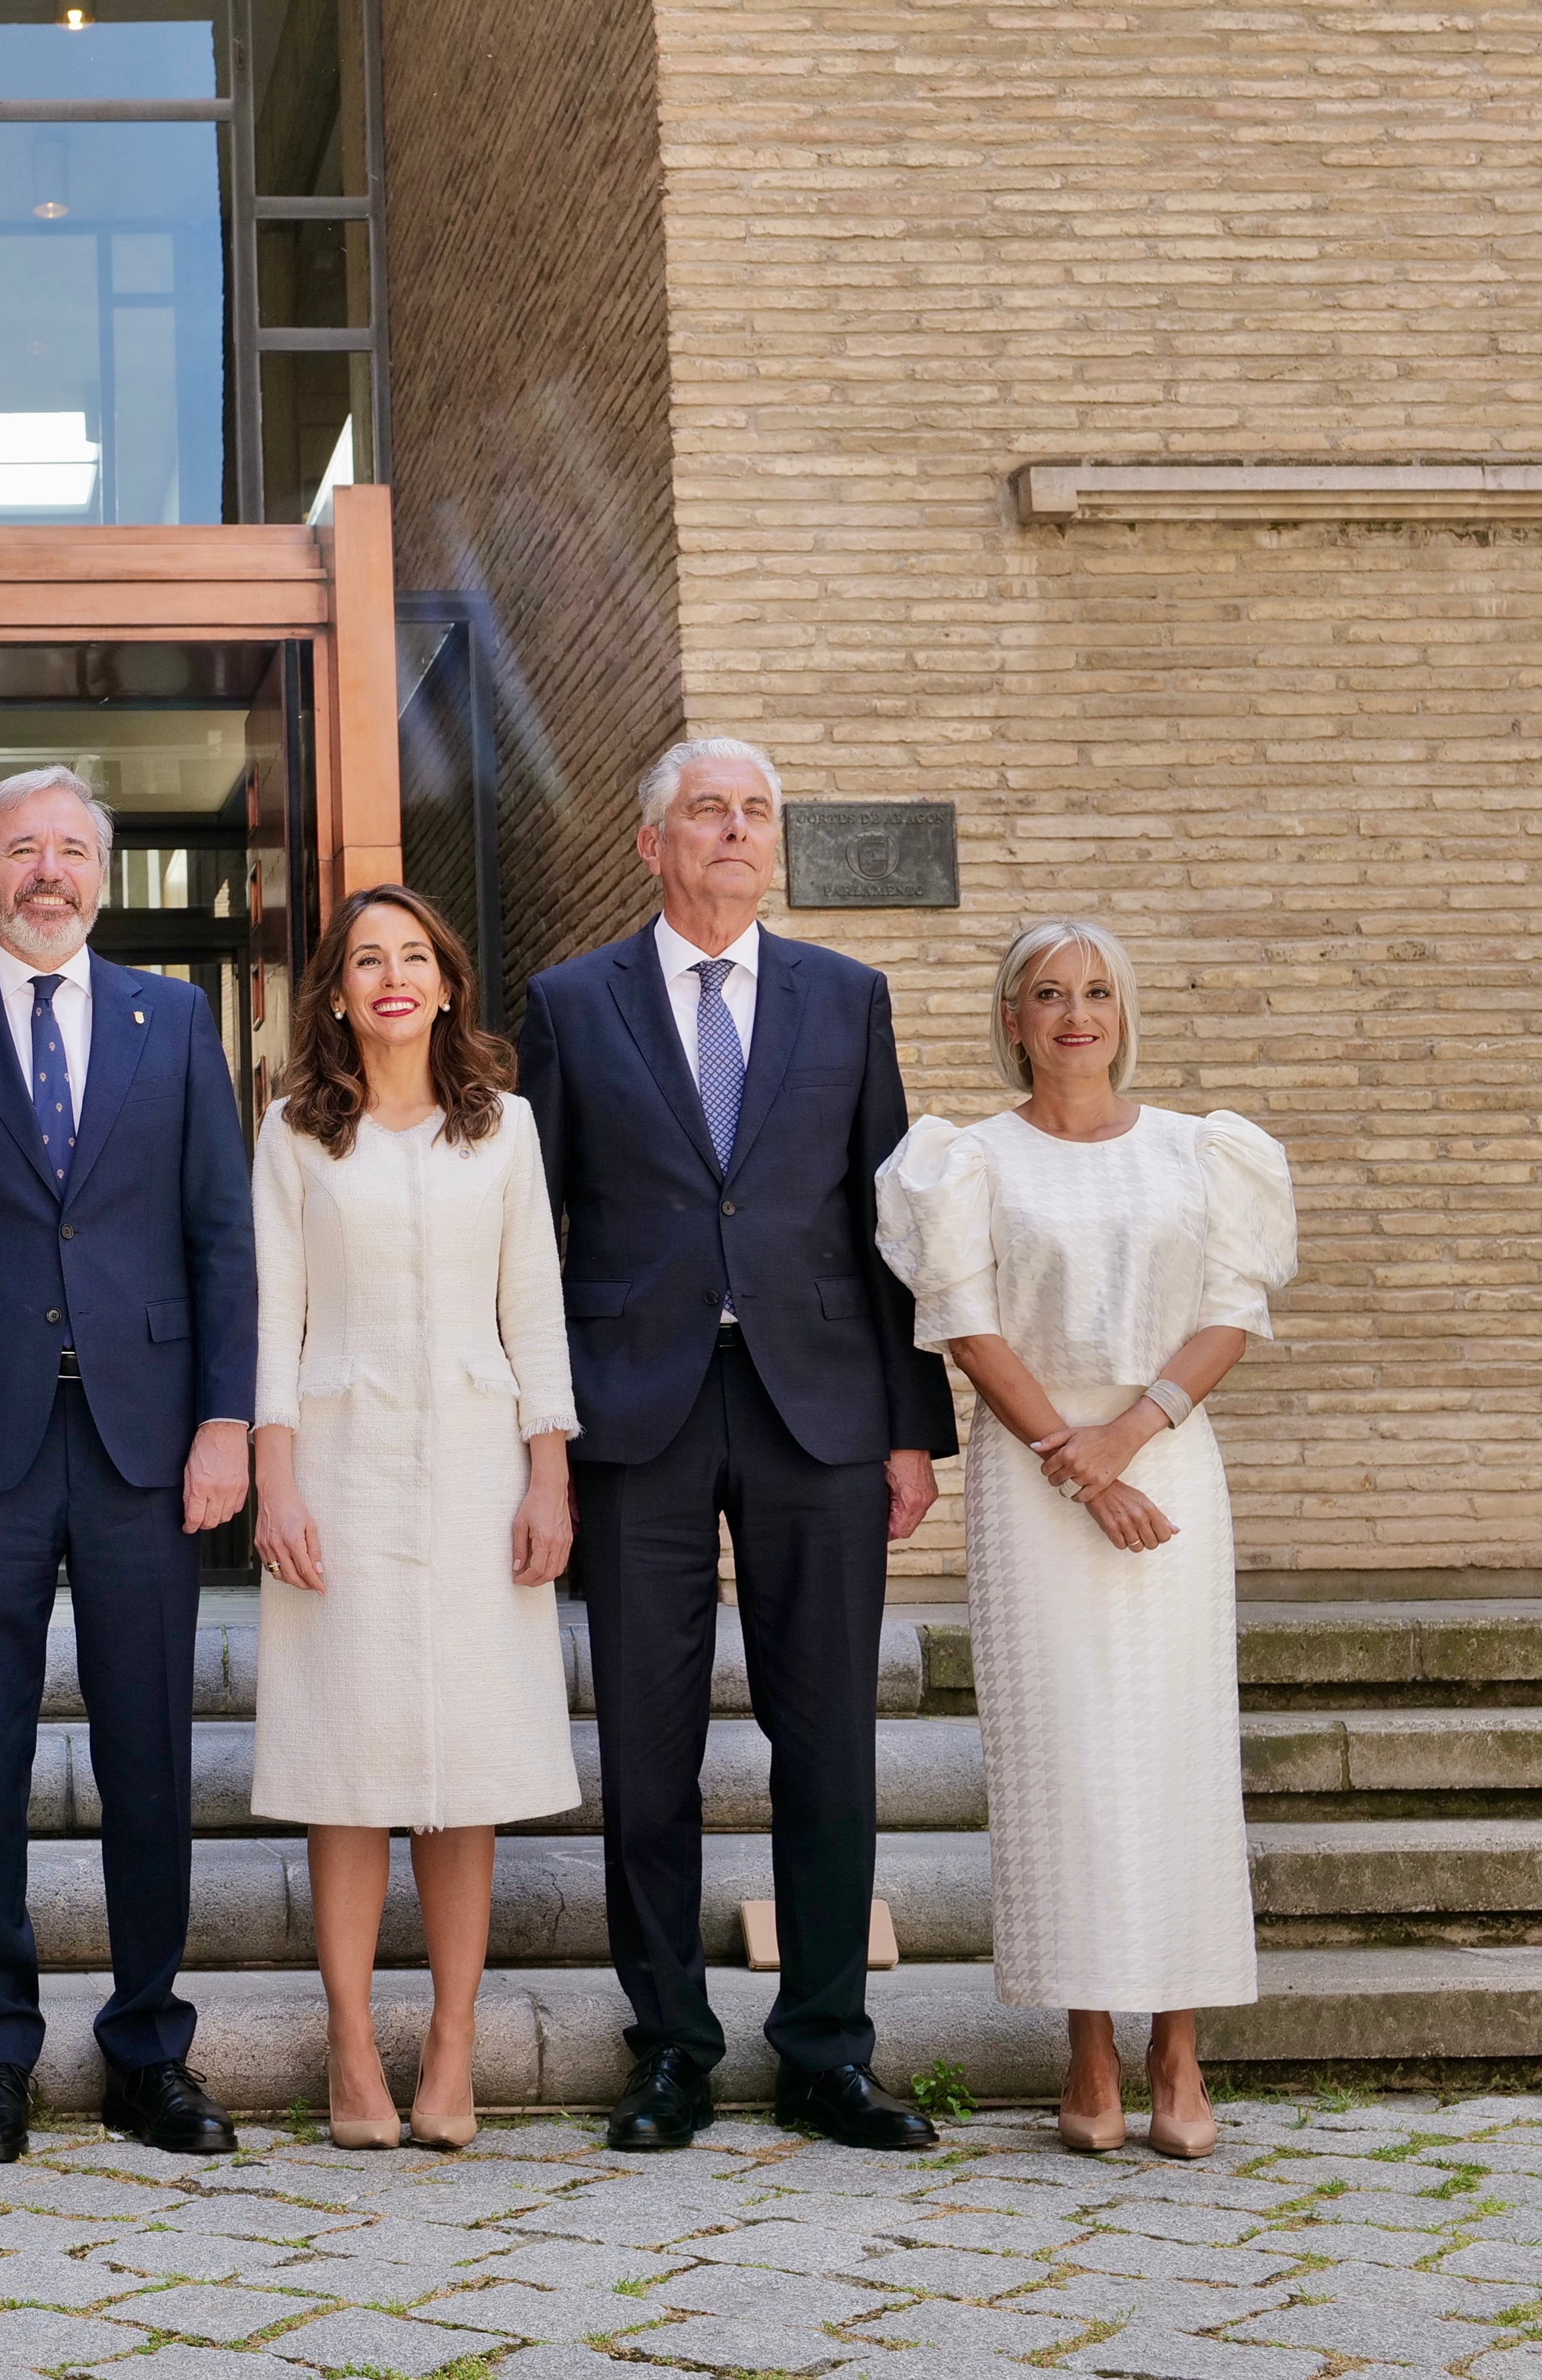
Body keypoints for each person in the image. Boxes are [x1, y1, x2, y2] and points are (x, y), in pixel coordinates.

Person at [515, 737, 956, 2156]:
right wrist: (541, 1431)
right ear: (652, 843)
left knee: (827, 1733)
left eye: (756, 811)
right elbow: (534, 1238)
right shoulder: (572, 1003)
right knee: (649, 1746)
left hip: (818, 1404)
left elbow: (886, 1230)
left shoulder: (848, 996)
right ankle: (671, 2050)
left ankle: (828, 2047)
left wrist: (908, 1426)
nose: (734, 830)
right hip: (634, 1408)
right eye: (707, 810)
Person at [0, 765, 255, 2163]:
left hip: (149, 1443)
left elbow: (222, 1234)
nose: (49, 871)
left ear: (103, 873)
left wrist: (228, 1417)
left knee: (153, 1747)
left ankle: (151, 2046)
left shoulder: (177, 1016)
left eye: (72, 848)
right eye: (22, 848)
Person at [875, 920, 1294, 2160]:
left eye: (1098, 991)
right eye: (1048, 993)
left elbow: (1232, 1306)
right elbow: (966, 1320)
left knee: (1172, 1754)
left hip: (1164, 1472)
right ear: (1012, 1018)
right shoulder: (964, 1160)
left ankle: (1179, 2048)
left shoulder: (1201, 1150)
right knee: (1063, 1762)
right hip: (1035, 1475)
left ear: (1125, 1010)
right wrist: (1074, 1450)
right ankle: (1090, 2054)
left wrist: (1130, 1435)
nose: (1075, 1013)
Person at [249, 886, 579, 2153]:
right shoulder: (292, 1133)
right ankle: (349, 2046)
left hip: (478, 1468)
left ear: (448, 982)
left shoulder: (506, 1128)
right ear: (335, 991)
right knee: (349, 1767)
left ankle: (451, 2043)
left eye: (417, 957)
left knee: (465, 1770)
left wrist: (549, 1472)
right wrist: (275, 1479)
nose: (393, 976)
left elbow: (534, 1307)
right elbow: (272, 1315)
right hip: (337, 1463)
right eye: (367, 959)